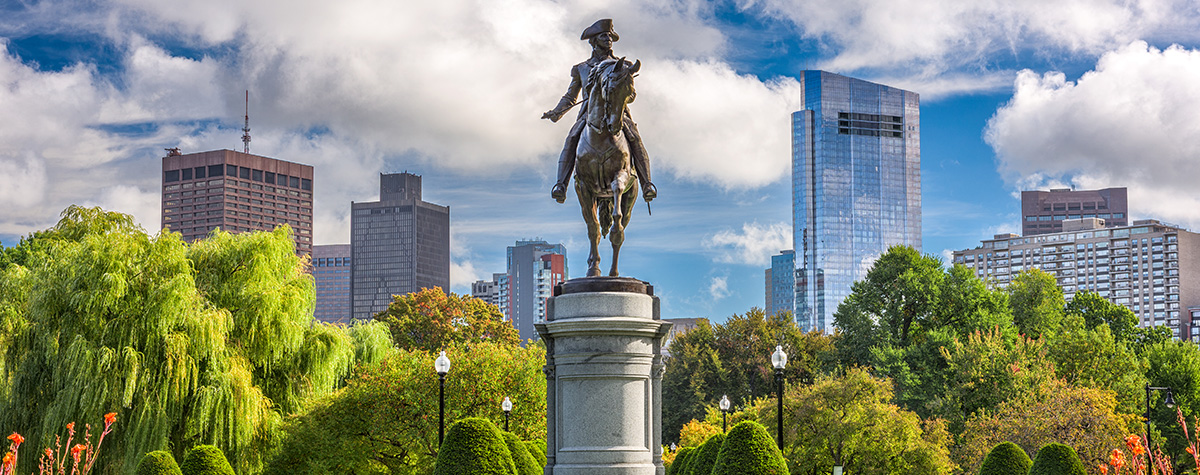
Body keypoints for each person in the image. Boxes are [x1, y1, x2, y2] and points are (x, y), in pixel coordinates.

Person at [542, 19, 657, 204]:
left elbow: (631, 94)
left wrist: (623, 96)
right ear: (594, 41)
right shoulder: (581, 68)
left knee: (635, 138)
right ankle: (560, 185)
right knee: (572, 138)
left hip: (617, 113)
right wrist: (557, 112)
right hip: (589, 114)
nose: (609, 39)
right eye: (604, 36)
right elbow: (571, 96)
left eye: (610, 36)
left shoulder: (623, 65)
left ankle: (647, 184)